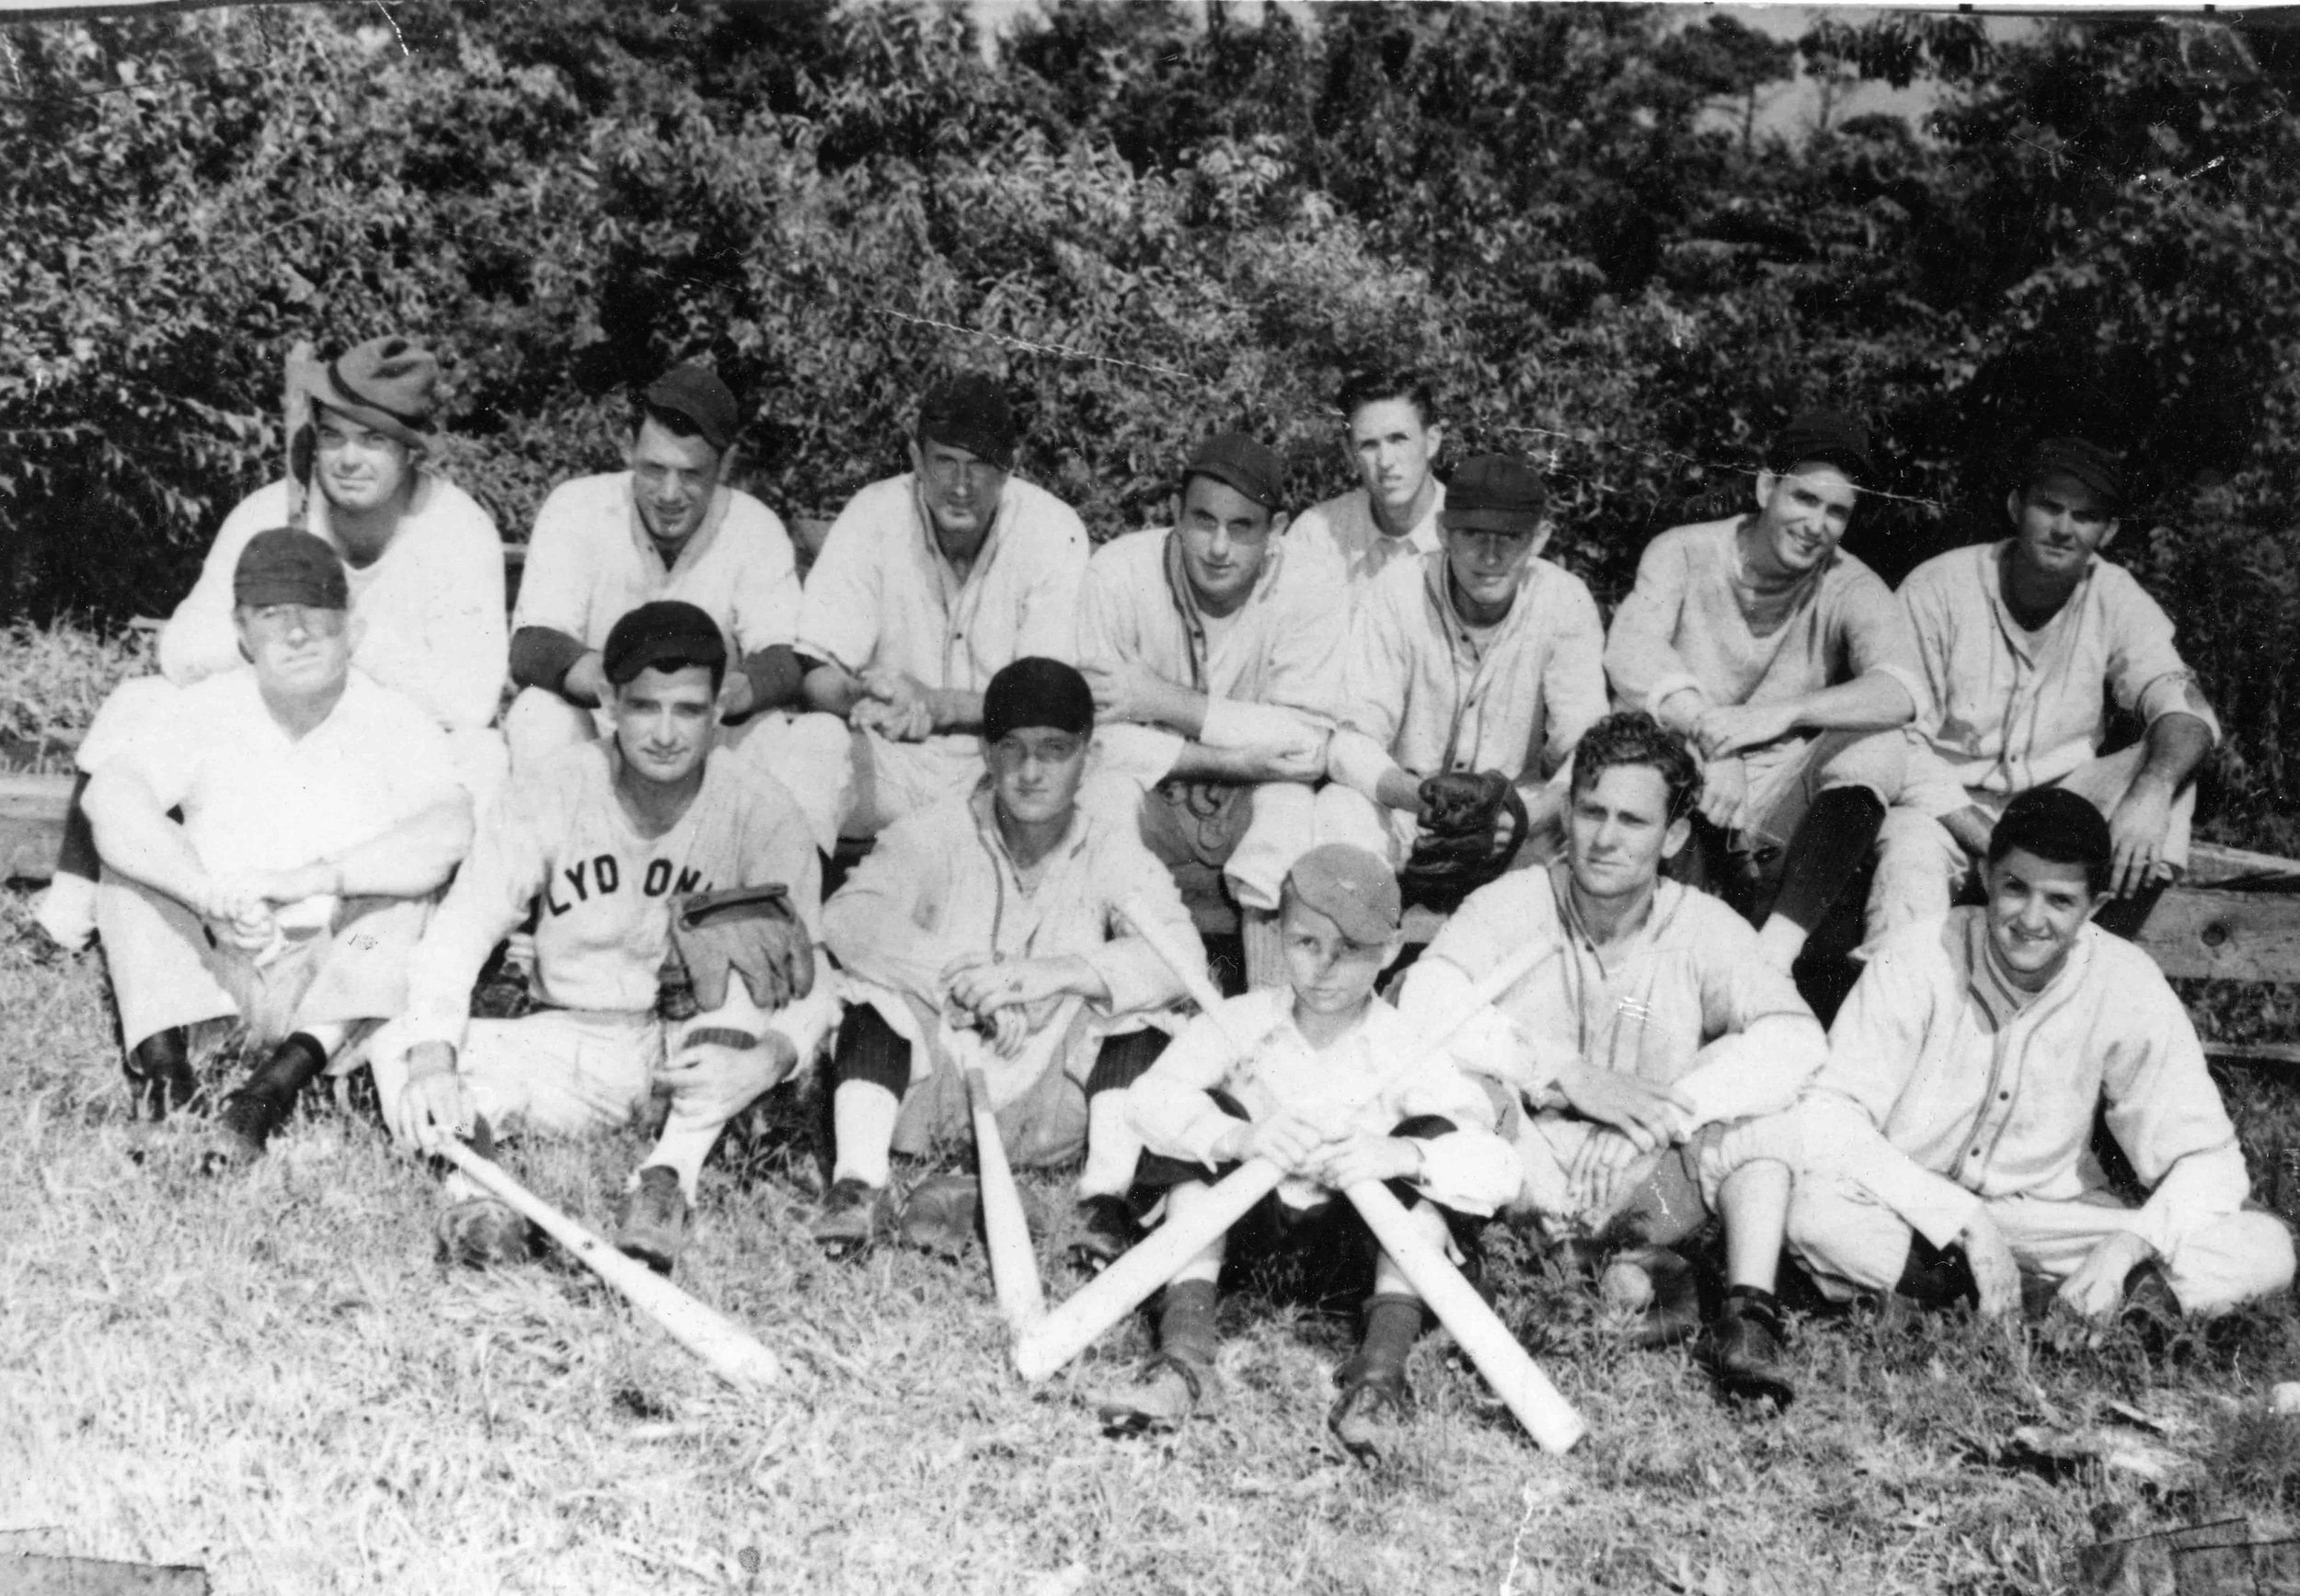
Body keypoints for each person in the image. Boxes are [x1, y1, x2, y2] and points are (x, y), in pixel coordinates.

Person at [374, 601, 835, 1271]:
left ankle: (666, 1179)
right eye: (646, 707)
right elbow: (460, 929)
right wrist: (433, 1062)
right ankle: (480, 1197)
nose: (667, 733)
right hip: (577, 1037)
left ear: (717, 711)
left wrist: (767, 1058)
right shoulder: (552, 789)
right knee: (397, 1047)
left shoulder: (762, 808)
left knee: (743, 943)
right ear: (611, 705)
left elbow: (815, 974)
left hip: (698, 1045)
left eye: (689, 709)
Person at [1397, 713, 1826, 1404]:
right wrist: (1568, 1074)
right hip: (1523, 1171)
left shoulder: (1702, 924)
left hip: (1646, 1191)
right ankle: (1566, 1271)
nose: (1604, 838)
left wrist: (1664, 1108)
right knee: (1449, 1080)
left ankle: (1748, 1316)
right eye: (1591, 811)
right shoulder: (1514, 901)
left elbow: (1798, 1036)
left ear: (1673, 835)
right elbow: (1423, 1000)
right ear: (1566, 813)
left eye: (1632, 820)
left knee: (1768, 1117)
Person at [37, 336, 506, 948]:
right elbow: (179, 649)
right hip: (266, 727)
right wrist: (274, 641)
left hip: (380, 744)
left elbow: (470, 700)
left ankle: (450, 944)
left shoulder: (458, 531)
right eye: (334, 436)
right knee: (139, 701)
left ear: (411, 452)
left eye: (374, 440)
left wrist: (341, 633)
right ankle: (71, 912)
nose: (348, 458)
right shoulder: (272, 512)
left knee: (483, 752)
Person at [1781, 787, 2292, 1320]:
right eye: (2015, 888)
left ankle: (2003, 1303)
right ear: (1985, 876)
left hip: (2050, 1221)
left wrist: (2125, 1250)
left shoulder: (2125, 980)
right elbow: (1828, 1115)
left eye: (2060, 900)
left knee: (2263, 1248)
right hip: (1916, 1210)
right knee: (1812, 1213)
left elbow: (2209, 1160)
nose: (2031, 918)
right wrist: (1962, 1219)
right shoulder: (1917, 954)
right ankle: (2064, 1314)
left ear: (2094, 906)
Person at [1097, 843, 1519, 1459]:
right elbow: (1145, 1101)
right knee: (1201, 1125)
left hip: (1351, 1254)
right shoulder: (1240, 1021)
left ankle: (1379, 1379)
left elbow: (1499, 1167)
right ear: (1276, 936)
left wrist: (1395, 1155)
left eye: (1350, 951)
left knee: (1430, 1140)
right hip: (1241, 1240)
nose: (1324, 968)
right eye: (1306, 943)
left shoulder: (1410, 1046)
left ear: (1393, 950)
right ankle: (1184, 1359)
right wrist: (1237, 1137)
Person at [79, 530, 473, 1159]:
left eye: (316, 613)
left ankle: (271, 1089)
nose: (296, 634)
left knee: (396, 915)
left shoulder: (396, 719)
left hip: (331, 971)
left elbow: (448, 831)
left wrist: (310, 879)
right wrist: (203, 894)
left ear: (353, 628)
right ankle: (166, 1080)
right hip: (216, 956)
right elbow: (111, 797)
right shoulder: (205, 707)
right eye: (271, 615)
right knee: (129, 880)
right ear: (241, 633)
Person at [811, 657, 1206, 1267]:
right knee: (872, 993)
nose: (1030, 771)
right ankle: (858, 1184)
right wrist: (964, 978)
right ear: (987, 755)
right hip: (935, 1090)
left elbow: (1183, 958)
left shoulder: (1109, 847)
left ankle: (1101, 1199)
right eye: (1012, 749)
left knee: (1146, 1014)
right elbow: (847, 916)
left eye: (1054, 750)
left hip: (1051, 1112)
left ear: (1089, 758)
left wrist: (1053, 973)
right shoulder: (937, 828)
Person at [1604, 409, 1922, 970]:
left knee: (1881, 743)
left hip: (1776, 795)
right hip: (1681, 763)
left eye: (1836, 512)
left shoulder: (1850, 582)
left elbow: (1900, 690)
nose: (1817, 524)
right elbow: (1631, 651)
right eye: (1804, 499)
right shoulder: (1684, 550)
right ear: (1767, 487)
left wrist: (1785, 713)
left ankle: (1778, 947)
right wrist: (1711, 733)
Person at [1870, 438, 2219, 942]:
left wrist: (2153, 788)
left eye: (2084, 516)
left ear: (2108, 531)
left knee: (2172, 770)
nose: (2063, 528)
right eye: (2049, 507)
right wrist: (1991, 841)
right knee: (1908, 861)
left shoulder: (2114, 593)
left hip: (2054, 809)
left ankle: (2084, 960)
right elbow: (1896, 737)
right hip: (1943, 808)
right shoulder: (1940, 586)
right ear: (2017, 507)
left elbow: (2185, 706)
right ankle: (1903, 1004)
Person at [1077, 431, 1347, 988]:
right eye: (1204, 521)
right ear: (1175, 513)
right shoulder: (1119, 572)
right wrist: (1234, 758)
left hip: (1255, 795)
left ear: (1274, 531)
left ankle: (1268, 1024)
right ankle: (1132, 1006)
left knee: (1290, 809)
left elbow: (1309, 744)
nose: (1219, 547)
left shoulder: (1312, 581)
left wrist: (1161, 700)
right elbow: (1095, 737)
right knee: (1099, 801)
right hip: (1159, 793)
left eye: (1242, 527)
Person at [504, 363, 818, 836]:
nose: (669, 494)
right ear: (628, 449)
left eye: (692, 475)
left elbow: (784, 657)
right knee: (537, 715)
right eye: (654, 469)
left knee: (790, 735)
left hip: (704, 736)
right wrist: (630, 687)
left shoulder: (754, 526)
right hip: (605, 728)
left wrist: (720, 694)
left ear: (725, 466)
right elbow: (531, 644)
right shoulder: (578, 506)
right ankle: (556, 889)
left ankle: (759, 898)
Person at [779, 373, 1089, 845]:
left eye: (979, 465)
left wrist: (937, 705)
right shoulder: (875, 513)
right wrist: (865, 696)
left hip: (1004, 769)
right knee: (806, 745)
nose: (961, 486)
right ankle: (785, 915)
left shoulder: (1051, 529)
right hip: (892, 760)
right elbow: (817, 670)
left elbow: (1045, 701)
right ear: (916, 458)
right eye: (945, 461)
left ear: (1010, 468)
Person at [1320, 454, 1607, 909]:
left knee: (1598, 828)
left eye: (1510, 537)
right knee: (1339, 810)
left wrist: (1527, 817)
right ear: (1442, 532)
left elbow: (1588, 748)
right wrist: (1422, 799)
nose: (1490, 556)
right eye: (1473, 534)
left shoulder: (1563, 599)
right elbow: (1349, 743)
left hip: (1517, 822)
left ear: (1539, 539)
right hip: (1411, 813)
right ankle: (1356, 960)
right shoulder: (1397, 590)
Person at [1288, 367, 1447, 591]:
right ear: (1349, 453)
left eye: (1398, 439)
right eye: (1369, 445)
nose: (1385, 461)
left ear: (1431, 441)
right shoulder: (1316, 535)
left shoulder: (1473, 533)